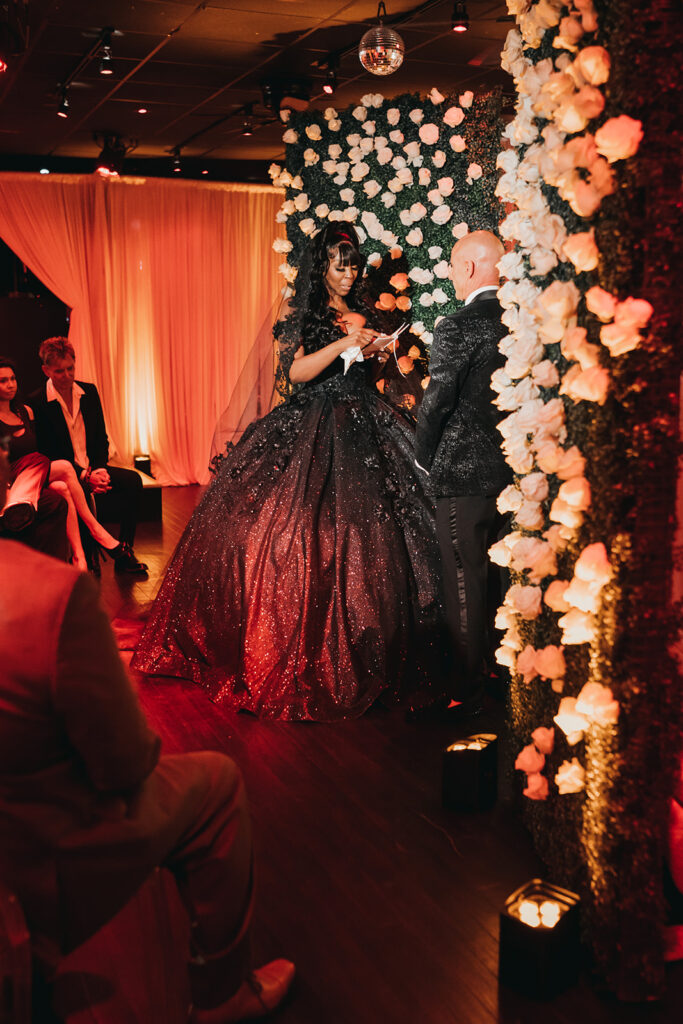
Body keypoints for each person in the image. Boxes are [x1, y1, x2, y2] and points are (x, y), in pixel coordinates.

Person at [0, 446, 295, 1023]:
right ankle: (222, 993)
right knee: (215, 782)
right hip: (27, 863)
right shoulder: (51, 595)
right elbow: (124, 766)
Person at [133, 223, 444, 720]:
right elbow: (295, 374)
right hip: (314, 420)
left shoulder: (360, 310)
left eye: (353, 264)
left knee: (374, 530)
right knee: (300, 526)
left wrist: (372, 350)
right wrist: (343, 347)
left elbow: (364, 369)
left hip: (365, 419)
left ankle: (372, 641)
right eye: (340, 265)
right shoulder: (304, 314)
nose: (348, 273)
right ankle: (296, 637)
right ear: (321, 264)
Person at [414, 230, 512, 715]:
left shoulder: (459, 324)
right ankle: (499, 678)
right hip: (510, 475)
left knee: (462, 582)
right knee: (498, 579)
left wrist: (420, 455)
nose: (451, 275)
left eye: (453, 266)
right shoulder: (520, 319)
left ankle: (465, 693)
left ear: (469, 268)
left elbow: (438, 400)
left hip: (463, 476)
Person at [30, 337, 148, 575]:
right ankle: (89, 555)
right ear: (46, 370)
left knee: (133, 481)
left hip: (92, 466)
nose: (67, 375)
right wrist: (84, 475)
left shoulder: (89, 392)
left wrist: (100, 468)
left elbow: (100, 439)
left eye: (71, 368)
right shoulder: (38, 402)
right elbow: (48, 453)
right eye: (59, 371)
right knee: (78, 490)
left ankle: (125, 550)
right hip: (67, 473)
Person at [0, 358, 130, 571]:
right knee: (54, 464)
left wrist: (97, 468)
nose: (10, 384)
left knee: (61, 487)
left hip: (37, 474)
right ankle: (97, 533)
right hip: (12, 478)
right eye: (3, 380)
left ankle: (79, 560)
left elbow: (43, 446)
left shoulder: (26, 412)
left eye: (13, 378)